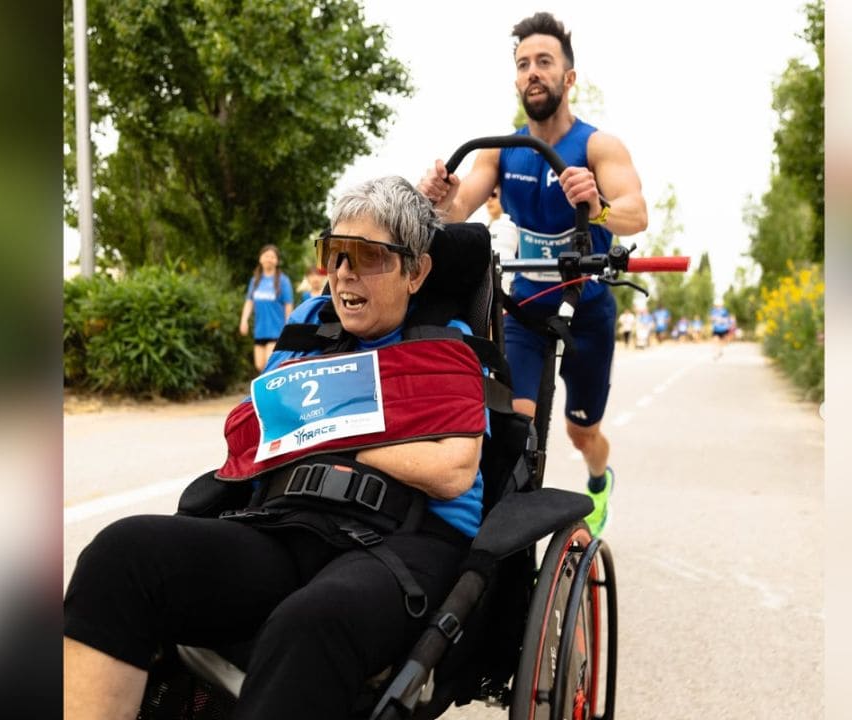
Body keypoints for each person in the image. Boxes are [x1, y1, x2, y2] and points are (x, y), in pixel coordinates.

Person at [64, 176, 486, 720]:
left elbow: (452, 468)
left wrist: (330, 434)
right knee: (120, 555)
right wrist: (366, 431)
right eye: (334, 253)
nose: (342, 273)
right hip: (285, 523)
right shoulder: (310, 324)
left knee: (311, 619)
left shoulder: (444, 345)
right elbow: (252, 431)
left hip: (401, 540)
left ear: (416, 272)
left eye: (366, 256)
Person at [418, 11, 647, 536]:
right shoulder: (502, 151)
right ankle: (510, 536)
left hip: (586, 308)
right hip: (524, 310)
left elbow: (637, 213)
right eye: (523, 64)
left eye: (544, 62)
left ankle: (597, 479)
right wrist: (439, 197)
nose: (532, 73)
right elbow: (456, 215)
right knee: (515, 423)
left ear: (569, 78)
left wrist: (599, 204)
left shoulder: (597, 147)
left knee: (579, 430)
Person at [239, 244, 294, 372]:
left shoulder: (283, 281)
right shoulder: (255, 280)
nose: (269, 259)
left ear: (277, 261)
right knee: (259, 365)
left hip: (277, 331)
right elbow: (249, 301)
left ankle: (274, 391)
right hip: (260, 331)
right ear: (260, 259)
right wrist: (244, 321)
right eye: (266, 256)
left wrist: (288, 327)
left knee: (270, 366)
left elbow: (288, 305)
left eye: (272, 257)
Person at [484, 185, 519, 293]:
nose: (489, 199)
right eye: (487, 196)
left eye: (493, 195)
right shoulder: (484, 230)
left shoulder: (516, 228)